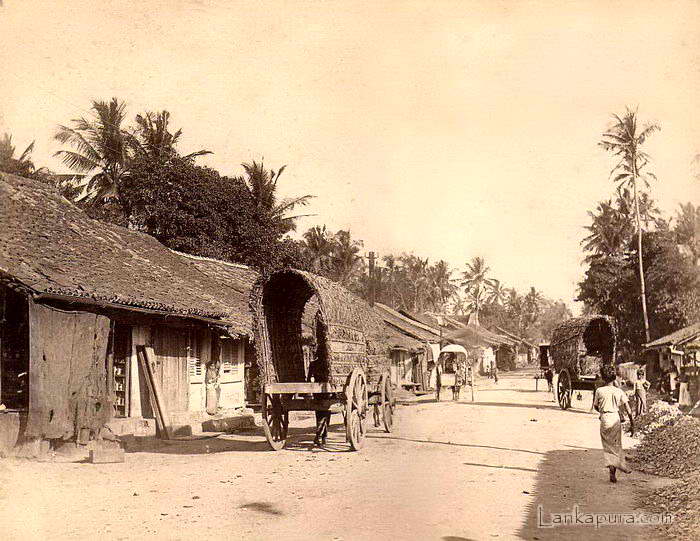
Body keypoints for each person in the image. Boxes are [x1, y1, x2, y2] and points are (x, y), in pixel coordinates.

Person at [593, 364, 635, 483]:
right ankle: (617, 467)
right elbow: (628, 408)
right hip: (615, 418)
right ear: (614, 377)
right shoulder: (619, 391)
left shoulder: (599, 391)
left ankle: (612, 468)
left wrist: (602, 411)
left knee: (607, 446)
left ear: (602, 377)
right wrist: (632, 423)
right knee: (616, 444)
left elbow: (596, 406)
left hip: (605, 418)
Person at [308, 356, 331, 447]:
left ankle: (321, 435)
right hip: (327, 392)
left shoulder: (313, 364)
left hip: (317, 392)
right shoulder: (328, 363)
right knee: (325, 413)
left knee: (319, 413)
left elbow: (309, 379)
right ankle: (321, 435)